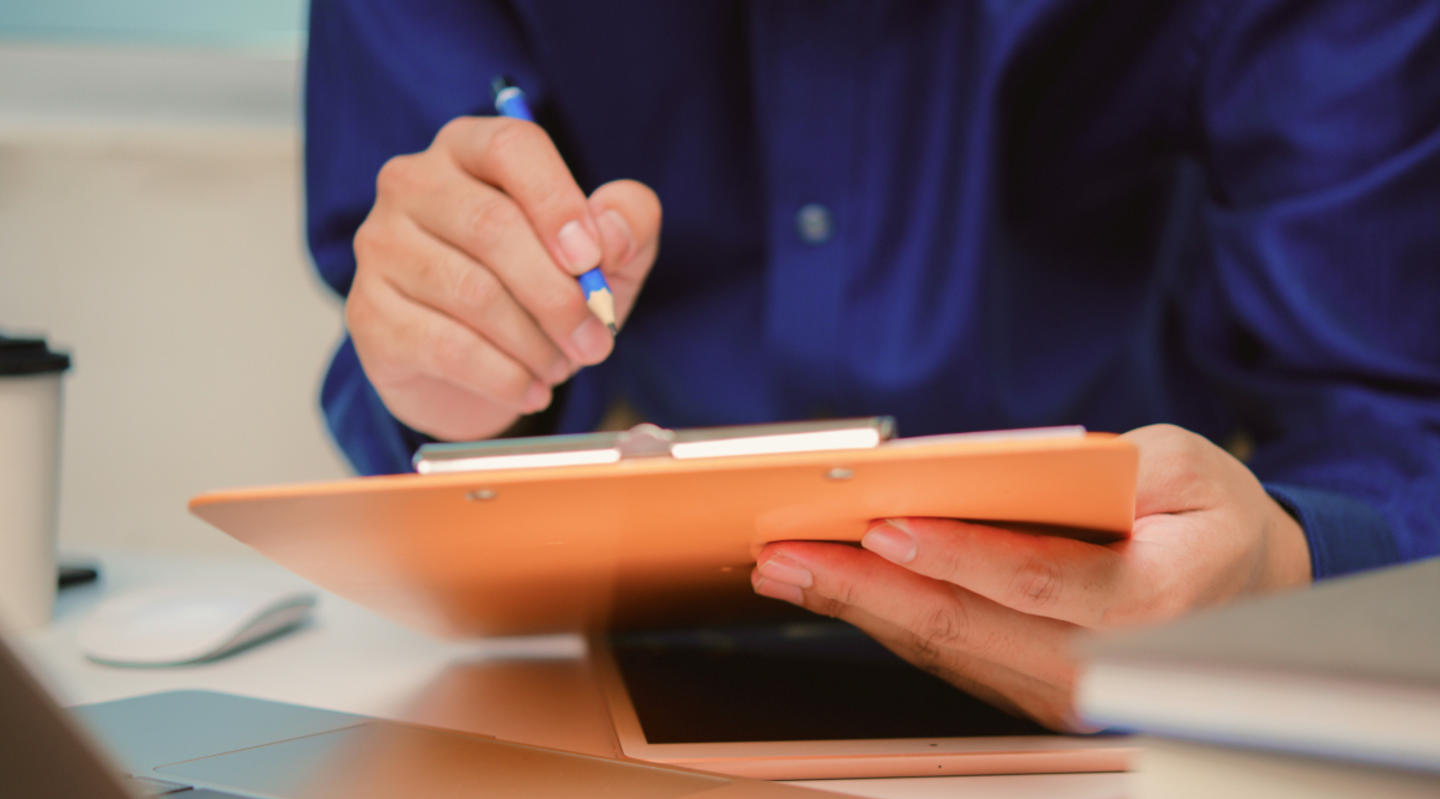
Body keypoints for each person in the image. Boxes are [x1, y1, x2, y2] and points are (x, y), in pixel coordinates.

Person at [303, 1, 1440, 729]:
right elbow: (417, 294)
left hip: (1146, 687)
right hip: (600, 688)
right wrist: (460, 384)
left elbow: (1392, 404)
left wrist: (1279, 569)